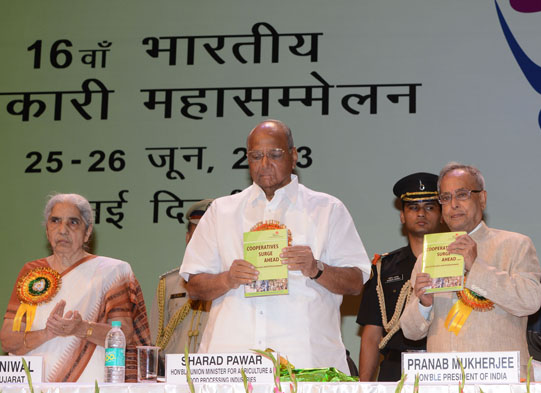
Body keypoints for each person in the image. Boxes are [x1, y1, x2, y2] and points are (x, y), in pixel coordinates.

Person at [180, 119, 370, 374]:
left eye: (275, 154)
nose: (264, 164)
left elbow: (356, 282)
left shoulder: (327, 209)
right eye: (256, 156)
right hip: (234, 362)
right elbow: (193, 286)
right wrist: (227, 279)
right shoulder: (222, 211)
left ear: (294, 156)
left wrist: (317, 268)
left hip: (305, 360)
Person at [400, 163, 541, 378]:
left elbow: (531, 301)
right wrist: (423, 304)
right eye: (446, 198)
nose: (453, 204)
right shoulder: (427, 257)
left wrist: (477, 266)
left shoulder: (515, 245)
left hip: (503, 380)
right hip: (443, 379)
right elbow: (410, 331)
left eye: (462, 195)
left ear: (482, 199)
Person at [0, 193, 150, 383]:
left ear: (87, 232)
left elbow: (125, 336)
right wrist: (48, 333)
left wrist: (81, 328)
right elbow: (7, 339)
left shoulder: (112, 272)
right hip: (33, 384)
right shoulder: (32, 272)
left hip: (90, 384)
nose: (62, 230)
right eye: (55, 221)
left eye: (73, 222)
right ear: (47, 230)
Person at [357, 172, 442, 381]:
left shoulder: (455, 262)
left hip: (442, 365)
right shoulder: (383, 268)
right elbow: (371, 334)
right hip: (396, 368)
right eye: (413, 207)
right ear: (402, 216)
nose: (421, 213)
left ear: (442, 215)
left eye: (430, 207)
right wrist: (364, 385)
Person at [149, 199, 213, 374]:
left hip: (218, 375)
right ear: (187, 239)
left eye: (210, 236)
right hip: (174, 376)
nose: (203, 243)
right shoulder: (169, 283)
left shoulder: (232, 283)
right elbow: (155, 342)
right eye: (197, 236)